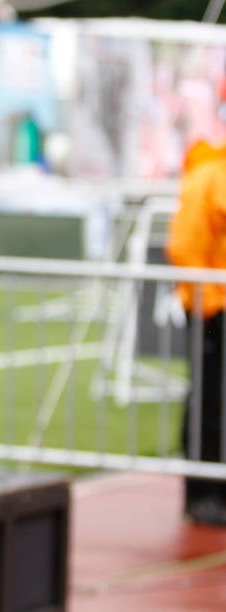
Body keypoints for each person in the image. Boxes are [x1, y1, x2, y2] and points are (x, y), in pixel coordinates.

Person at [166, 138, 226, 525]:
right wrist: (207, 299)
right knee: (209, 397)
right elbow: (184, 245)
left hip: (215, 302)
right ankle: (203, 493)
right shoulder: (209, 174)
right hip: (212, 307)